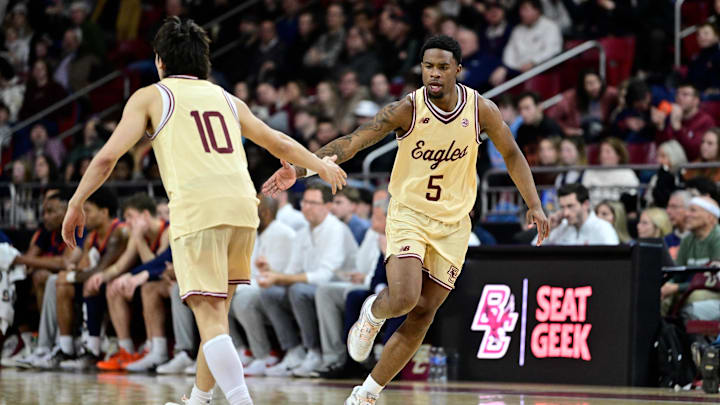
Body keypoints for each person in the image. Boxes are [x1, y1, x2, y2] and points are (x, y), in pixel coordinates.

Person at [61, 17, 346, 405]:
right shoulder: (228, 99)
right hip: (244, 209)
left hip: (199, 210)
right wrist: (319, 164)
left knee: (210, 319)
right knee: (217, 320)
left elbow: (108, 157)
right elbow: (276, 140)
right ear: (203, 61)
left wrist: (76, 201)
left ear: (160, 60)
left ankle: (241, 401)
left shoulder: (151, 96)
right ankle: (199, 399)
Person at [262, 35, 548, 404]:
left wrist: (534, 204)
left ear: (458, 70)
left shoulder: (482, 110)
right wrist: (304, 169)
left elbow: (511, 153)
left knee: (424, 313)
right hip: (410, 214)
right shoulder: (407, 109)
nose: (434, 73)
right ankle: (373, 311)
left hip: (454, 224)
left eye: (443, 67)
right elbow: (354, 141)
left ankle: (367, 392)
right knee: (404, 297)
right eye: (428, 66)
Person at [260, 183, 358, 377]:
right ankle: (294, 351)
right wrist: (271, 272)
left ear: (328, 207)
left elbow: (324, 276)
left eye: (313, 203)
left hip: (340, 287)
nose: (306, 207)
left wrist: (280, 277)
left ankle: (315, 352)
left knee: (298, 290)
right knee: (271, 293)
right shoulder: (303, 233)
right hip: (311, 289)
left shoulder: (335, 229)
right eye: (304, 202)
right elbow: (291, 271)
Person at [537, 184, 619, 245]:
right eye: (562, 207)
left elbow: (614, 262)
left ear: (586, 205)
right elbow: (533, 255)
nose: (566, 213)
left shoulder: (604, 228)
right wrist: (549, 229)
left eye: (570, 206)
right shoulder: (561, 227)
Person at [655, 83, 716, 161]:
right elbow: (664, 148)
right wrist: (661, 127)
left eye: (685, 94)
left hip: (694, 167)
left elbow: (696, 152)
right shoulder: (674, 117)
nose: (679, 97)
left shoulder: (705, 121)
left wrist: (678, 128)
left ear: (696, 100)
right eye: (677, 94)